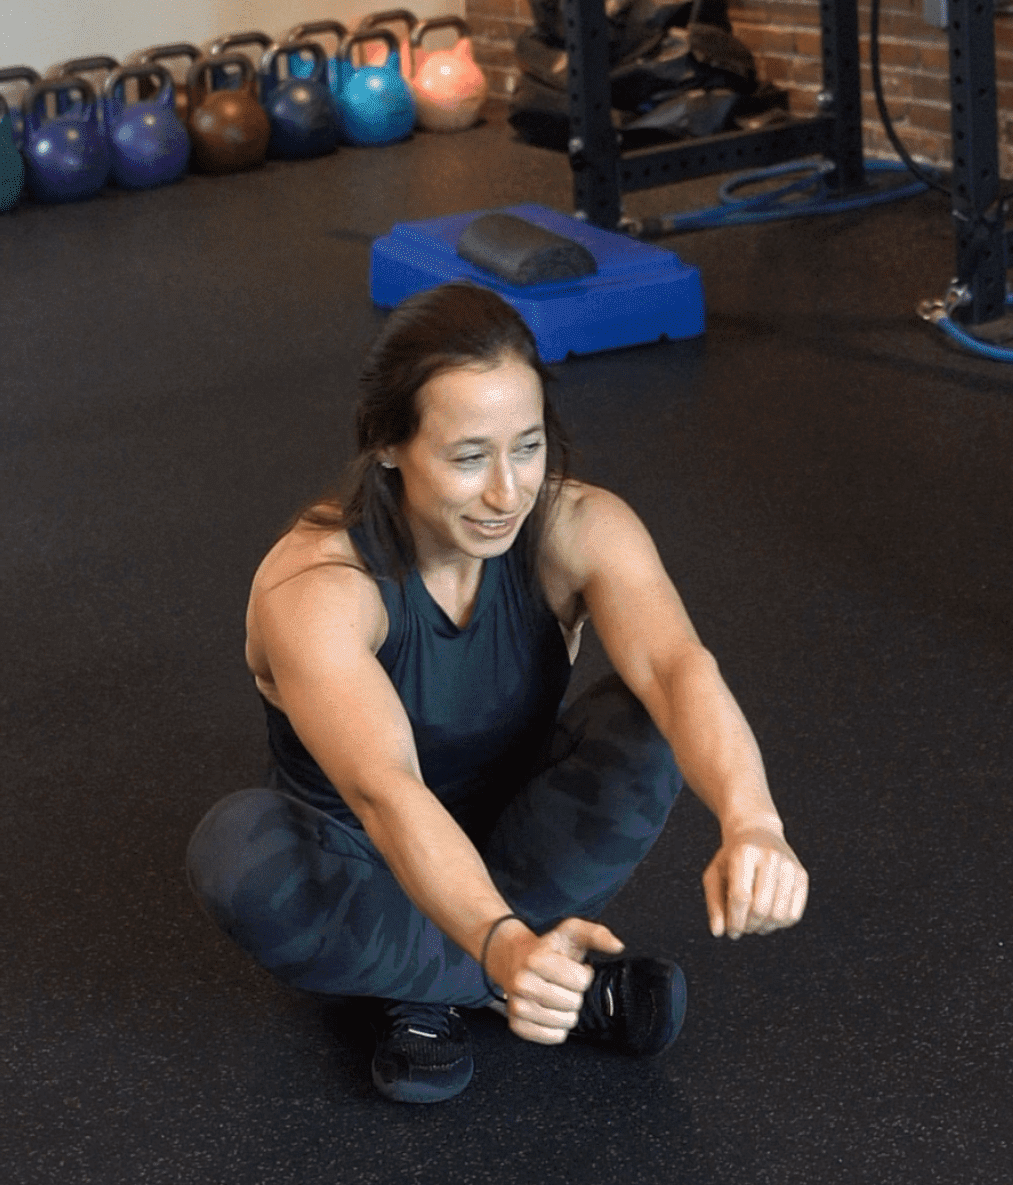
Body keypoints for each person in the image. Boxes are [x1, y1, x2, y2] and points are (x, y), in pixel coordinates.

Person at [187, 282, 808, 1104]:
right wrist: (503, 948)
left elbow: (677, 668)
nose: (507, 492)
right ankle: (527, 986)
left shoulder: (578, 527)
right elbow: (387, 793)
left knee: (651, 718)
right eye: (469, 457)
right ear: (387, 445)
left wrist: (753, 820)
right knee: (235, 851)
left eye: (528, 446)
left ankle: (432, 988)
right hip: (364, 866)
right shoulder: (318, 584)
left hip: (519, 846)